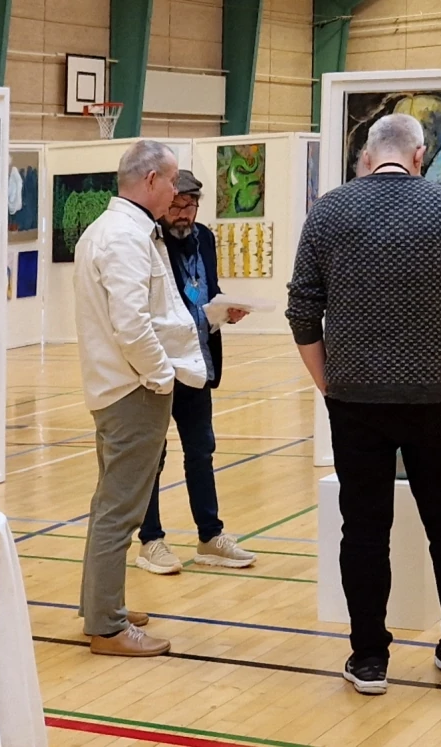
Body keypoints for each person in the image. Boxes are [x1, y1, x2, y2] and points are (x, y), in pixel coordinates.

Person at [285, 113, 441, 695]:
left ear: (368, 156)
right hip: (435, 396)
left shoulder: (329, 211)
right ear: (420, 154)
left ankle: (370, 658)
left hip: (355, 399)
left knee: (365, 528)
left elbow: (303, 311)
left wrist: (329, 382)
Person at [72, 140, 207, 657]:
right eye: (172, 181)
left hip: (122, 386)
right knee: (120, 510)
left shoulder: (118, 231)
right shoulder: (124, 238)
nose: (177, 191)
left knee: (112, 503)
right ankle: (106, 626)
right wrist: (161, 378)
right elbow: (132, 324)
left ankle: (101, 604)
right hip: (133, 389)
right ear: (150, 180)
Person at [135, 170, 257, 574]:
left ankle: (210, 535)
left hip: (197, 361)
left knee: (201, 450)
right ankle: (150, 540)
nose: (185, 215)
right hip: (158, 363)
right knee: (154, 455)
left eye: (192, 207)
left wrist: (226, 312)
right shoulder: (148, 242)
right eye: (178, 206)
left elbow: (207, 290)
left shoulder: (203, 237)